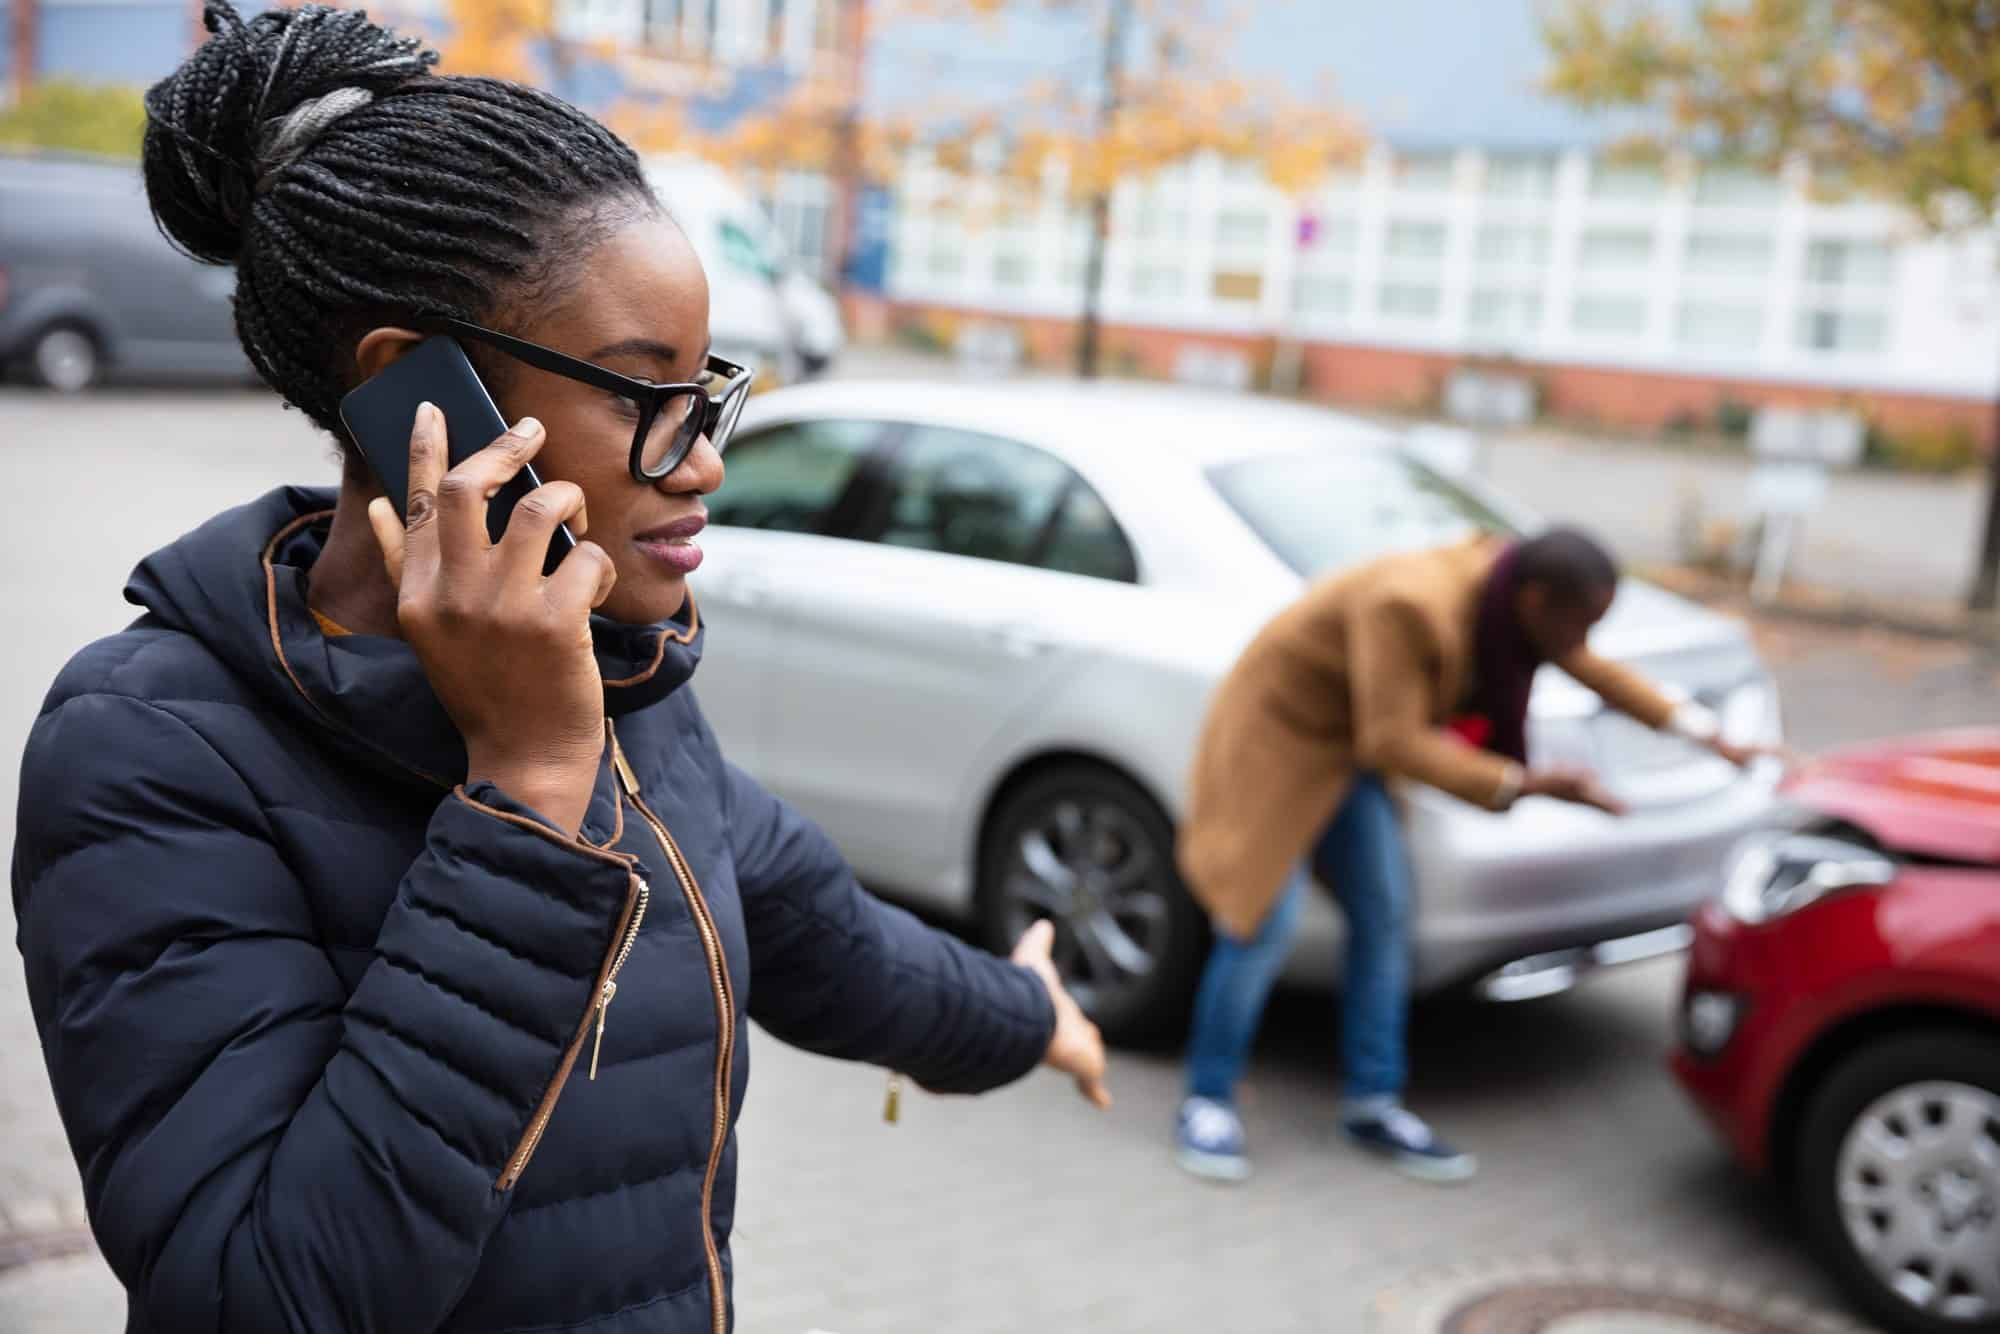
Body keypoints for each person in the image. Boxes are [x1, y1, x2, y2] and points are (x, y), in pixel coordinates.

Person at [10, 7, 1108, 1333]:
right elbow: (260, 1296)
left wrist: (1022, 1009)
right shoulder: (149, 749)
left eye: (708, 391)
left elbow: (827, 933)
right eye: (644, 395)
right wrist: (528, 787)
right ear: (415, 392)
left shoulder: (618, 677)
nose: (703, 457)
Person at [1170, 527, 1765, 1184]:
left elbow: (1594, 668)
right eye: (1579, 622)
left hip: (1352, 749)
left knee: (1386, 915)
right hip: (1280, 738)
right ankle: (1208, 1100)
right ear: (1537, 601)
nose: (1580, 640)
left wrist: (1710, 737)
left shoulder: (1509, 597)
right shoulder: (1409, 605)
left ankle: (1372, 1104)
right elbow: (1393, 740)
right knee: (1261, 922)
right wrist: (1525, 784)